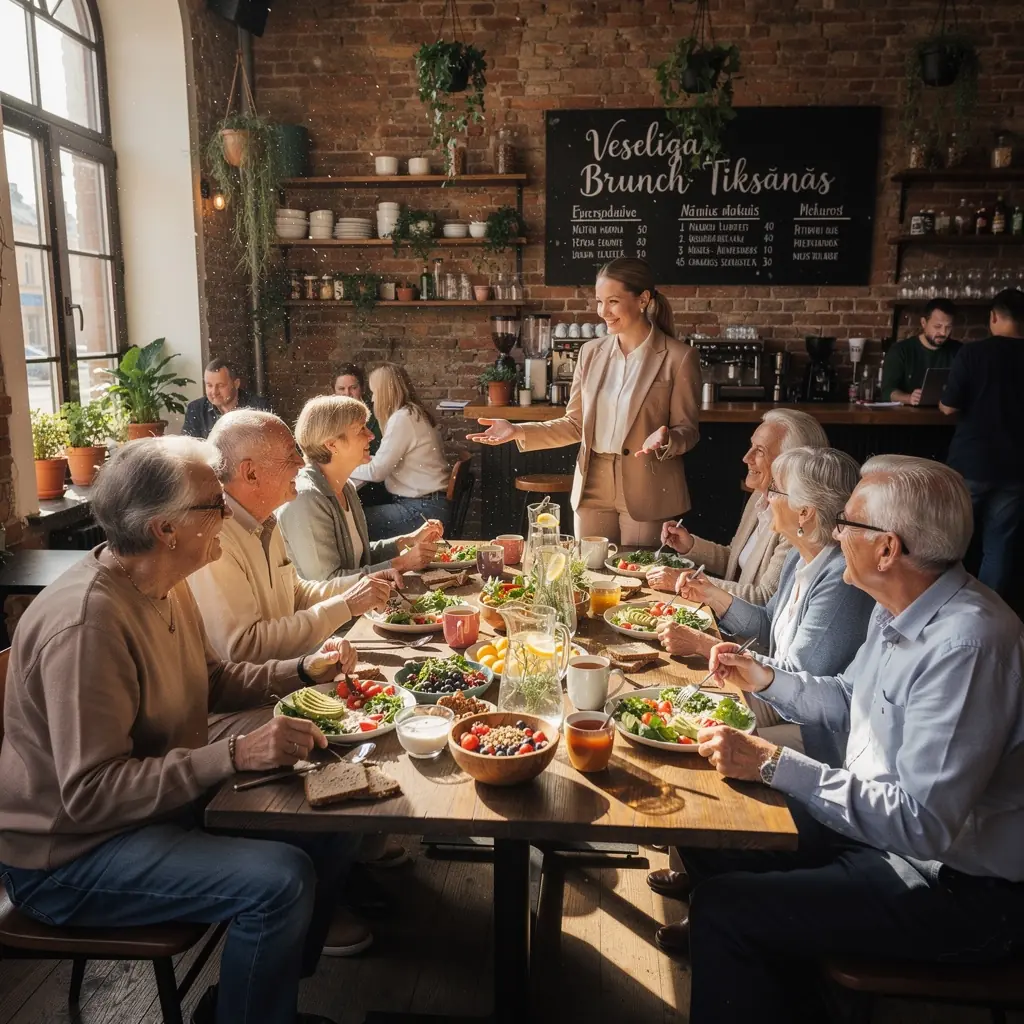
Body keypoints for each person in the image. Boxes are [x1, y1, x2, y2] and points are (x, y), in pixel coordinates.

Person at [0, 436, 365, 1024]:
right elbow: (90, 793)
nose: (228, 514)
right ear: (165, 529)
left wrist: (302, 669)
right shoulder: (89, 624)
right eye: (215, 504)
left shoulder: (165, 583)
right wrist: (234, 754)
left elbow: (211, 681)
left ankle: (249, 1005)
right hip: (68, 858)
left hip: (146, 813)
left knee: (332, 820)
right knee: (281, 880)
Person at [655, 455, 1024, 1024]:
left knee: (725, 911)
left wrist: (774, 763)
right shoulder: (900, 606)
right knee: (707, 822)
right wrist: (762, 677)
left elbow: (921, 824)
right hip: (880, 834)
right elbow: (850, 700)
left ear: (888, 549)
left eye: (848, 522)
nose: (835, 533)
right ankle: (789, 982)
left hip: (957, 887)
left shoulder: (967, 645)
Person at [658, 446, 873, 767]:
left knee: (688, 737)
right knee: (671, 698)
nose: (766, 498)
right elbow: (767, 623)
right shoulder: (799, 556)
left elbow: (794, 679)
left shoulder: (839, 577)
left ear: (805, 512)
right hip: (768, 696)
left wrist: (705, 645)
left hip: (810, 732)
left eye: (775, 490)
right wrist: (711, 594)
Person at [468, 258, 701, 546]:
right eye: (600, 302)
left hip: (647, 483)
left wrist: (667, 439)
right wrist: (517, 430)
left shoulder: (679, 357)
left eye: (613, 301)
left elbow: (688, 430)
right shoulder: (590, 353)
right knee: (589, 568)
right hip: (592, 481)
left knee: (636, 569)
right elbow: (575, 424)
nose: (603, 312)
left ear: (643, 299)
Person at [188, 410, 399, 662]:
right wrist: (346, 605)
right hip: (270, 686)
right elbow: (244, 649)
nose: (301, 462)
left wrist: (363, 584)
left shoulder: (265, 519)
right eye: (290, 454)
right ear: (251, 472)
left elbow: (297, 596)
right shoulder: (216, 539)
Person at [648, 409, 828, 604]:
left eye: (760, 451)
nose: (746, 457)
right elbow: (734, 560)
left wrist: (689, 580)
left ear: (791, 463)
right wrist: (690, 544)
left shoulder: (796, 519)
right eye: (751, 446)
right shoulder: (759, 496)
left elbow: (764, 599)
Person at [279, 395, 443, 582]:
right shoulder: (306, 499)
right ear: (331, 444)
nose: (371, 435)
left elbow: (359, 558)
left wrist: (409, 540)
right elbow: (327, 583)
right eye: (360, 430)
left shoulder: (346, 487)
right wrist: (402, 564)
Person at [940, 288, 1024, 596]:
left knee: (949, 540)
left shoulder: (973, 353)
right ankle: (989, 610)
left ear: (993, 317)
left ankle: (944, 604)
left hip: (972, 461)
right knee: (999, 545)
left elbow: (949, 407)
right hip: (1016, 466)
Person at [348, 363, 450, 540]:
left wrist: (340, 467)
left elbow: (377, 472)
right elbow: (381, 462)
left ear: (385, 393)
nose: (373, 399)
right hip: (430, 504)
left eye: (374, 392)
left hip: (422, 510)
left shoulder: (403, 419)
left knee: (350, 523)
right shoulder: (412, 413)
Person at [880, 298, 960, 405]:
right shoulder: (900, 350)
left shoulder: (960, 351)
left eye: (948, 327)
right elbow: (887, 392)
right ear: (923, 323)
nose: (943, 333)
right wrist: (908, 398)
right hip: (908, 414)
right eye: (938, 326)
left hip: (949, 413)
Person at [182, 357, 271, 438]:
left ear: (236, 384)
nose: (214, 392)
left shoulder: (258, 408)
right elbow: (189, 447)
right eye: (209, 385)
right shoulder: (196, 409)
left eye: (221, 385)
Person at [334, 362, 382, 452]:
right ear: (334, 391)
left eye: (353, 387)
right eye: (341, 389)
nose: (347, 393)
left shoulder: (377, 415)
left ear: (362, 388)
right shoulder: (330, 418)